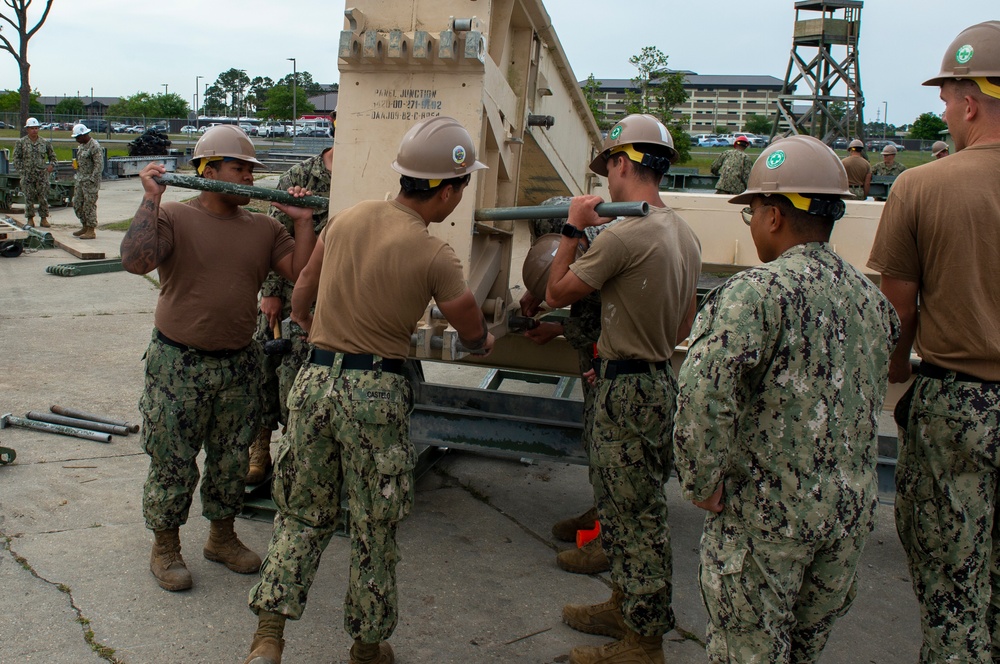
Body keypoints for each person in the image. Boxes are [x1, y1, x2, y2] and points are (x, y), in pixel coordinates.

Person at [244, 116, 495, 664]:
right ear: (449, 190)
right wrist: (482, 342)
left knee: (302, 515)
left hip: (313, 383)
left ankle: (269, 637)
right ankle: (366, 646)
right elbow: (470, 327)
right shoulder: (435, 255)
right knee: (373, 525)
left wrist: (310, 325)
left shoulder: (348, 219)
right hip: (374, 394)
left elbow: (302, 287)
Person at [674, 135, 900, 663]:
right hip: (844, 523)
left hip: (766, 522)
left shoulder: (755, 294)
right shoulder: (872, 302)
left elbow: (702, 395)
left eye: (751, 211)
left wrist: (700, 481)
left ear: (773, 216)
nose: (750, 223)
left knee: (748, 651)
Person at [119, 125, 318, 594]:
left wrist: (303, 221)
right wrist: (150, 199)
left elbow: (303, 274)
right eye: (239, 168)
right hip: (178, 364)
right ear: (207, 170)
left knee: (230, 459)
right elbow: (135, 260)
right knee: (173, 459)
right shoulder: (174, 217)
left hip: (239, 363)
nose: (249, 177)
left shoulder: (265, 227)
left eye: (252, 170)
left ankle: (221, 537)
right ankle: (165, 546)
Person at [545, 114, 701, 664]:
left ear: (622, 163)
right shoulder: (682, 231)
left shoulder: (626, 234)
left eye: (609, 165)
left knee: (634, 520)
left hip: (625, 387)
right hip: (659, 379)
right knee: (632, 507)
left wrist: (571, 229)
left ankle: (644, 641)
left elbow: (557, 291)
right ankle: (628, 606)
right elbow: (684, 326)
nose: (606, 180)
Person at [867, 21, 1000, 661]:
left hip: (958, 409)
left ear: (970, 101)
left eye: (946, 99)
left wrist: (895, 380)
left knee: (954, 592)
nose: (945, 111)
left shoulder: (922, 186)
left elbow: (898, 309)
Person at [519, 196, 614, 576]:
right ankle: (605, 510)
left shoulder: (603, 251)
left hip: (610, 359)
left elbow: (606, 319)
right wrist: (539, 291)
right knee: (597, 438)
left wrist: (557, 327)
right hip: (598, 357)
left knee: (608, 443)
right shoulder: (593, 243)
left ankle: (611, 535)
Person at [247, 143, 334, 485]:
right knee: (265, 371)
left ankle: (294, 452)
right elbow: (275, 234)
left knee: (304, 379)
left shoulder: (364, 177)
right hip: (286, 292)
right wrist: (269, 291)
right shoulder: (299, 176)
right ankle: (259, 448)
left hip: (330, 295)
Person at [12, 117, 57, 228]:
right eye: (32, 128)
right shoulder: (21, 143)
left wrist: (51, 165)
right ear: (27, 129)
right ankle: (30, 219)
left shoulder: (44, 143)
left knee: (43, 197)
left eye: (36, 128)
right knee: (29, 197)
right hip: (27, 175)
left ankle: (44, 218)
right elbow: (16, 158)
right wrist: (22, 171)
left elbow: (53, 156)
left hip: (41, 175)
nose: (34, 130)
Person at [71, 124, 103, 240]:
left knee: (89, 205)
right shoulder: (82, 146)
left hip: (90, 182)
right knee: (77, 204)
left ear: (84, 135)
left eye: (78, 137)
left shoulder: (94, 146)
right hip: (80, 179)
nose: (76, 140)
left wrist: (92, 179)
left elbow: (98, 165)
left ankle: (91, 229)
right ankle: (84, 225)